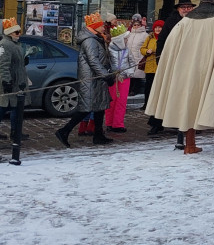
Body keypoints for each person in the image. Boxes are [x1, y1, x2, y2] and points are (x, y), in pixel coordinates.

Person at [145, 0, 214, 155]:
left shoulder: (187, 21)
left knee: (189, 104)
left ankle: (190, 145)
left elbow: (170, 46)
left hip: (189, 72)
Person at [53, 13, 116, 148]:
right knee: (86, 108)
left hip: (97, 79)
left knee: (100, 107)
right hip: (91, 79)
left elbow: (101, 59)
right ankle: (64, 131)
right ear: (95, 27)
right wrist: (106, 75)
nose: (104, 28)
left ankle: (98, 135)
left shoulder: (96, 38)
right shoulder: (90, 41)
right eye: (101, 26)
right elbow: (93, 62)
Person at [153, 0, 196, 146]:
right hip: (173, 63)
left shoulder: (196, 22)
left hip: (190, 64)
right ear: (178, 9)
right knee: (168, 93)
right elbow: (162, 41)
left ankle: (188, 124)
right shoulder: (171, 22)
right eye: (183, 7)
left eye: (188, 7)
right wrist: (160, 60)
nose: (186, 9)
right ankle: (158, 123)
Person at [0, 17, 29, 140]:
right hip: (11, 81)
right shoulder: (6, 44)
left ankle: (14, 131)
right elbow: (3, 65)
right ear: (10, 33)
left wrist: (23, 61)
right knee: (5, 107)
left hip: (16, 80)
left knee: (12, 107)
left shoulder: (13, 43)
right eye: (17, 32)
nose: (19, 34)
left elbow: (13, 61)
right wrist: (6, 81)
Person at [105, 22, 139, 133]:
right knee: (111, 101)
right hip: (113, 79)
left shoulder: (127, 50)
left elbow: (132, 63)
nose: (126, 41)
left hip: (124, 79)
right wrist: (112, 74)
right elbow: (107, 64)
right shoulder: (109, 51)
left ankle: (118, 124)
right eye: (125, 39)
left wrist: (127, 73)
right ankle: (109, 123)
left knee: (121, 101)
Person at [141, 19, 164, 135]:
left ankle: (157, 123)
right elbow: (142, 49)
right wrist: (147, 51)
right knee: (150, 93)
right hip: (150, 68)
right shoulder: (149, 38)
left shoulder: (164, 38)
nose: (158, 29)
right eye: (156, 28)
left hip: (160, 70)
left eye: (160, 27)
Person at [126, 15, 147, 98]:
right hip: (130, 57)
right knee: (130, 74)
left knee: (137, 75)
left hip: (139, 57)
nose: (136, 26)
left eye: (138, 25)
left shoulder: (144, 35)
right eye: (135, 25)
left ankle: (134, 90)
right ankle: (130, 89)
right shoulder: (129, 34)